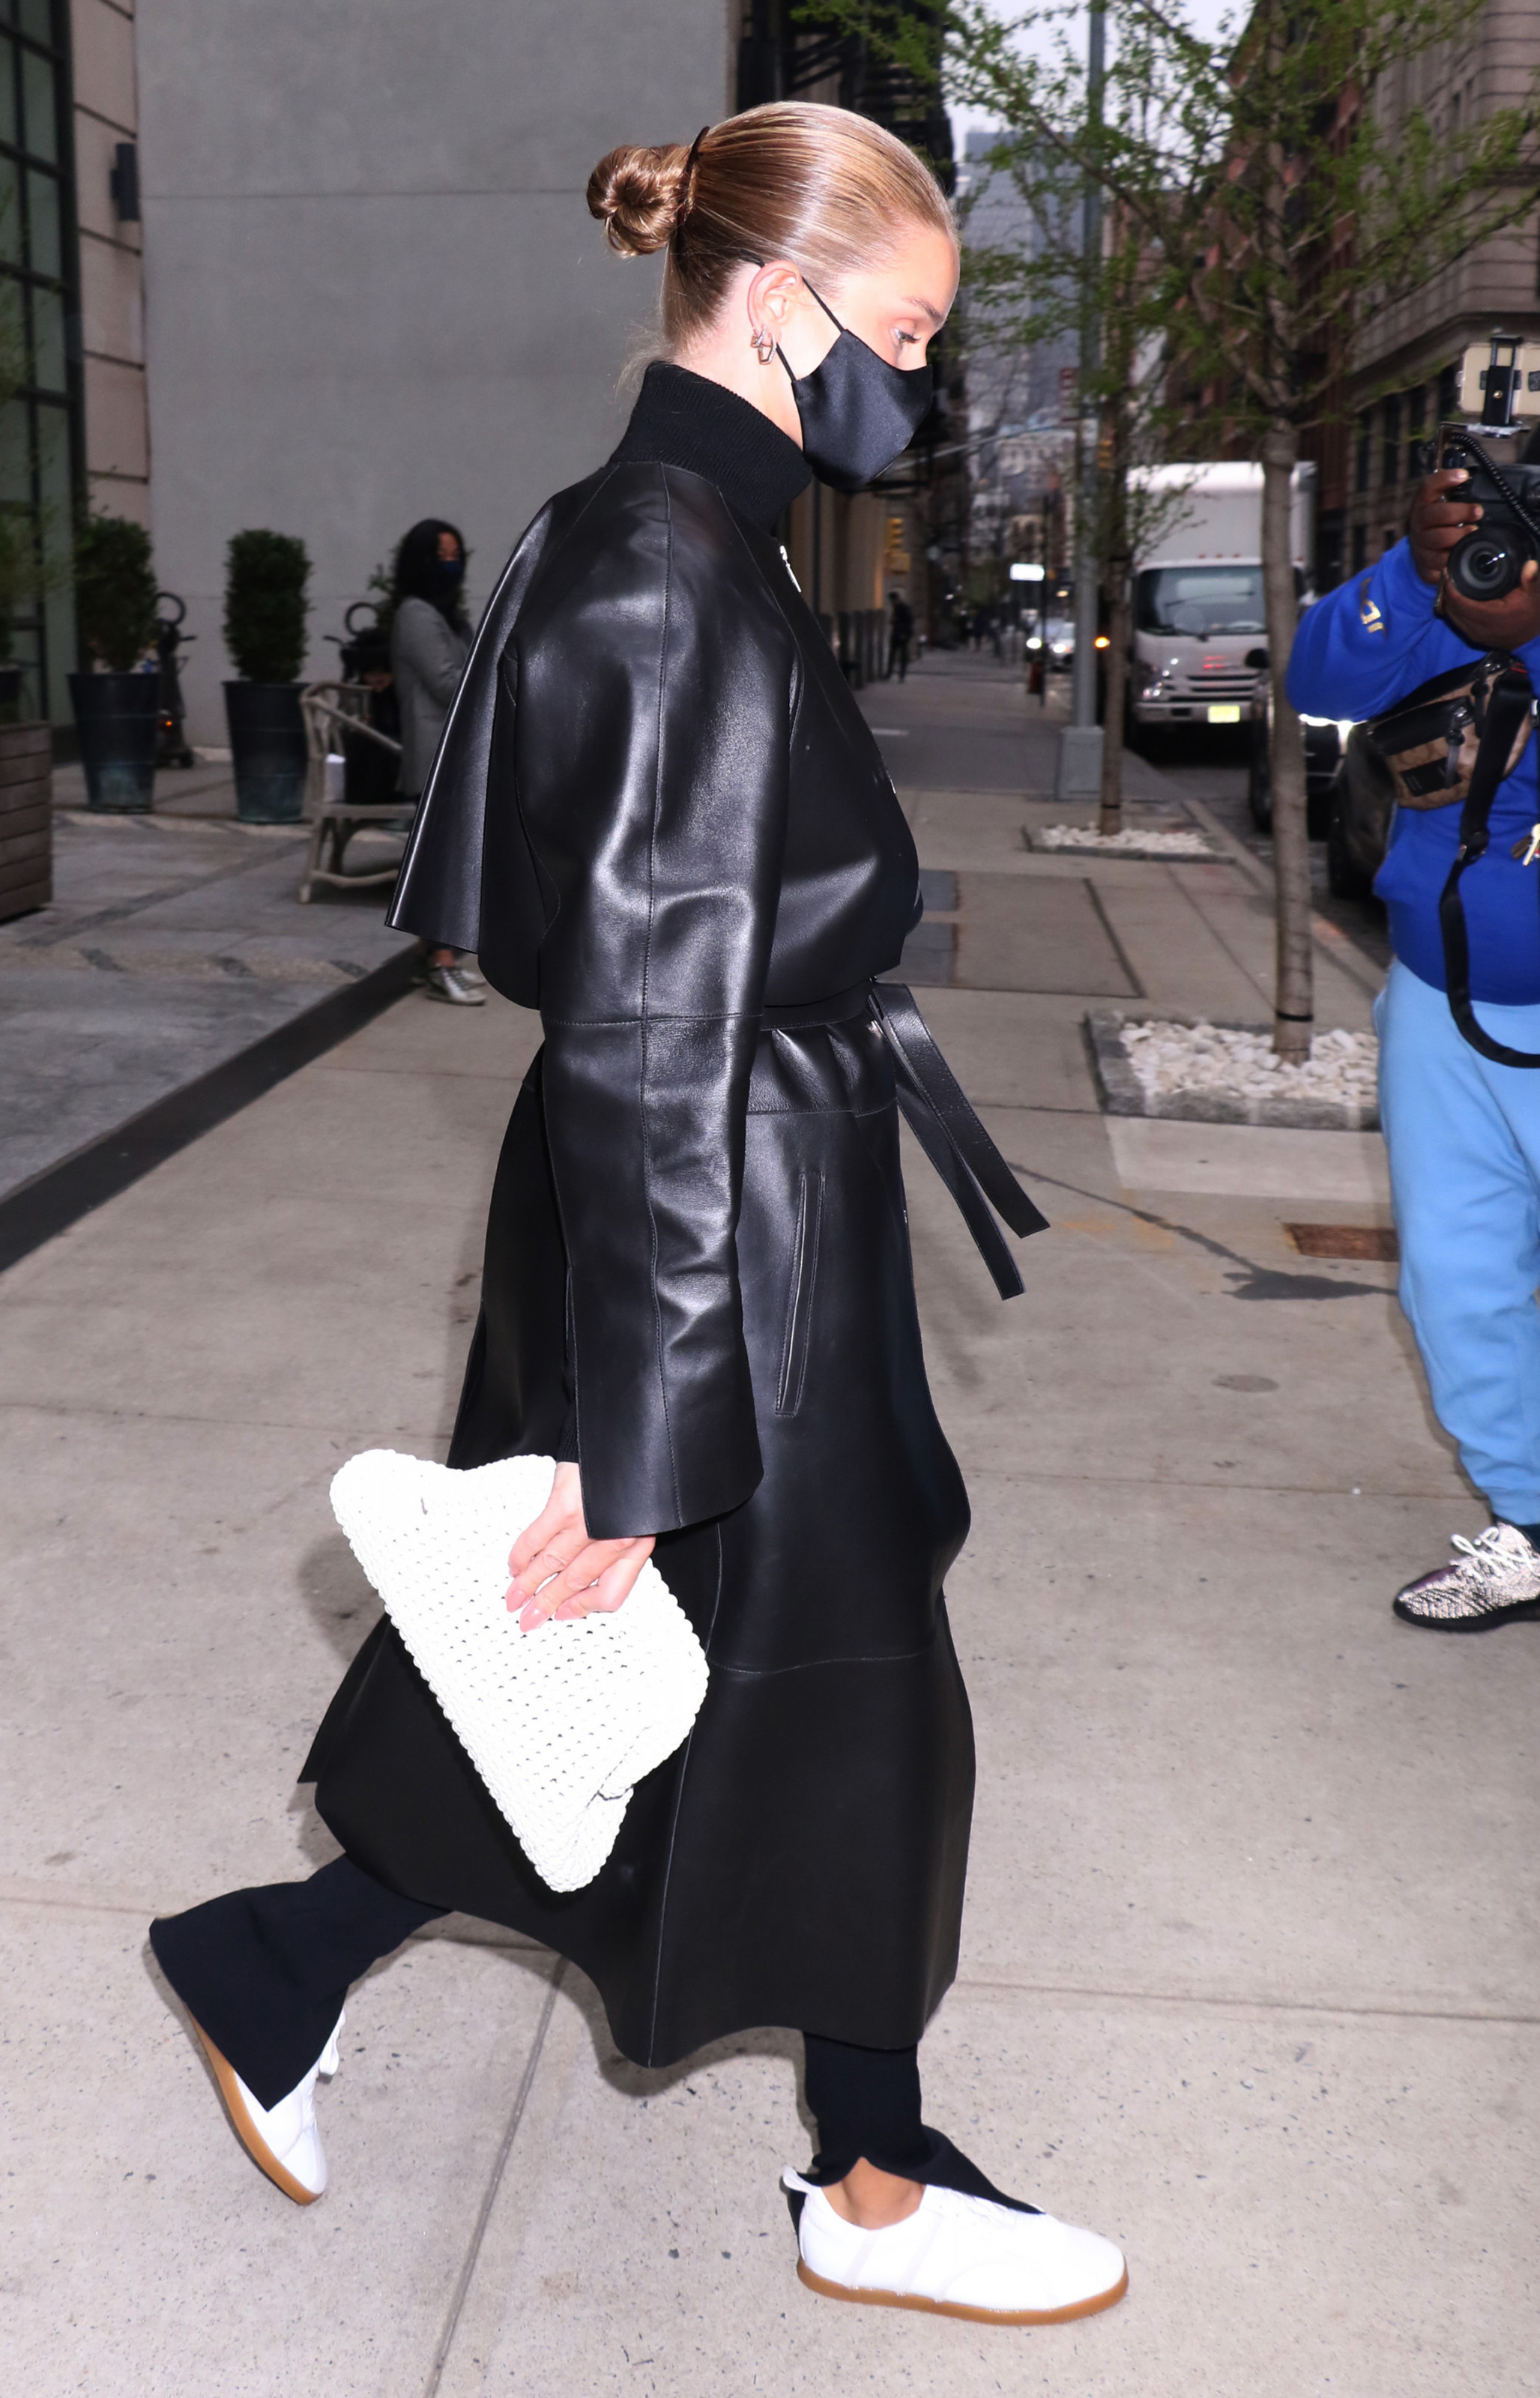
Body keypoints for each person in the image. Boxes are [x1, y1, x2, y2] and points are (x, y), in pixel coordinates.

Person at [148, 103, 1126, 2328]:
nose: (917, 385)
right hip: (721, 1219)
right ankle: (868, 2176)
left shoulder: (674, 532)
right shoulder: (673, 570)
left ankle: (283, 1963)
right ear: (777, 303)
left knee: (694, 1674)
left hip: (720, 1195)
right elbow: (654, 1020)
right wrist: (641, 1429)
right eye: (901, 335)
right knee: (826, 1679)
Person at [1288, 468, 1540, 1632]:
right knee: (1454, 1281)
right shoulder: (1448, 599)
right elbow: (1317, 682)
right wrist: (1412, 568)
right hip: (1441, 1007)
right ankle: (1527, 1521)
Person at [390, 518, 483, 1006]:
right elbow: (449, 683)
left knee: (448, 860)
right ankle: (441, 964)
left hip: (454, 756)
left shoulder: (448, 616)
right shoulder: (417, 614)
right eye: (440, 557)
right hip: (434, 756)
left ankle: (431, 957)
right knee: (442, 866)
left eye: (456, 556)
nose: (451, 565)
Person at [887, 588, 914, 680]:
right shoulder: (896, 608)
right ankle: (890, 673)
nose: (892, 602)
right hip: (896, 633)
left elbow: (909, 621)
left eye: (892, 600)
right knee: (893, 654)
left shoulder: (903, 607)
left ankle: (901, 674)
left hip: (902, 634)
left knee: (902, 655)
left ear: (896, 599)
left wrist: (905, 634)